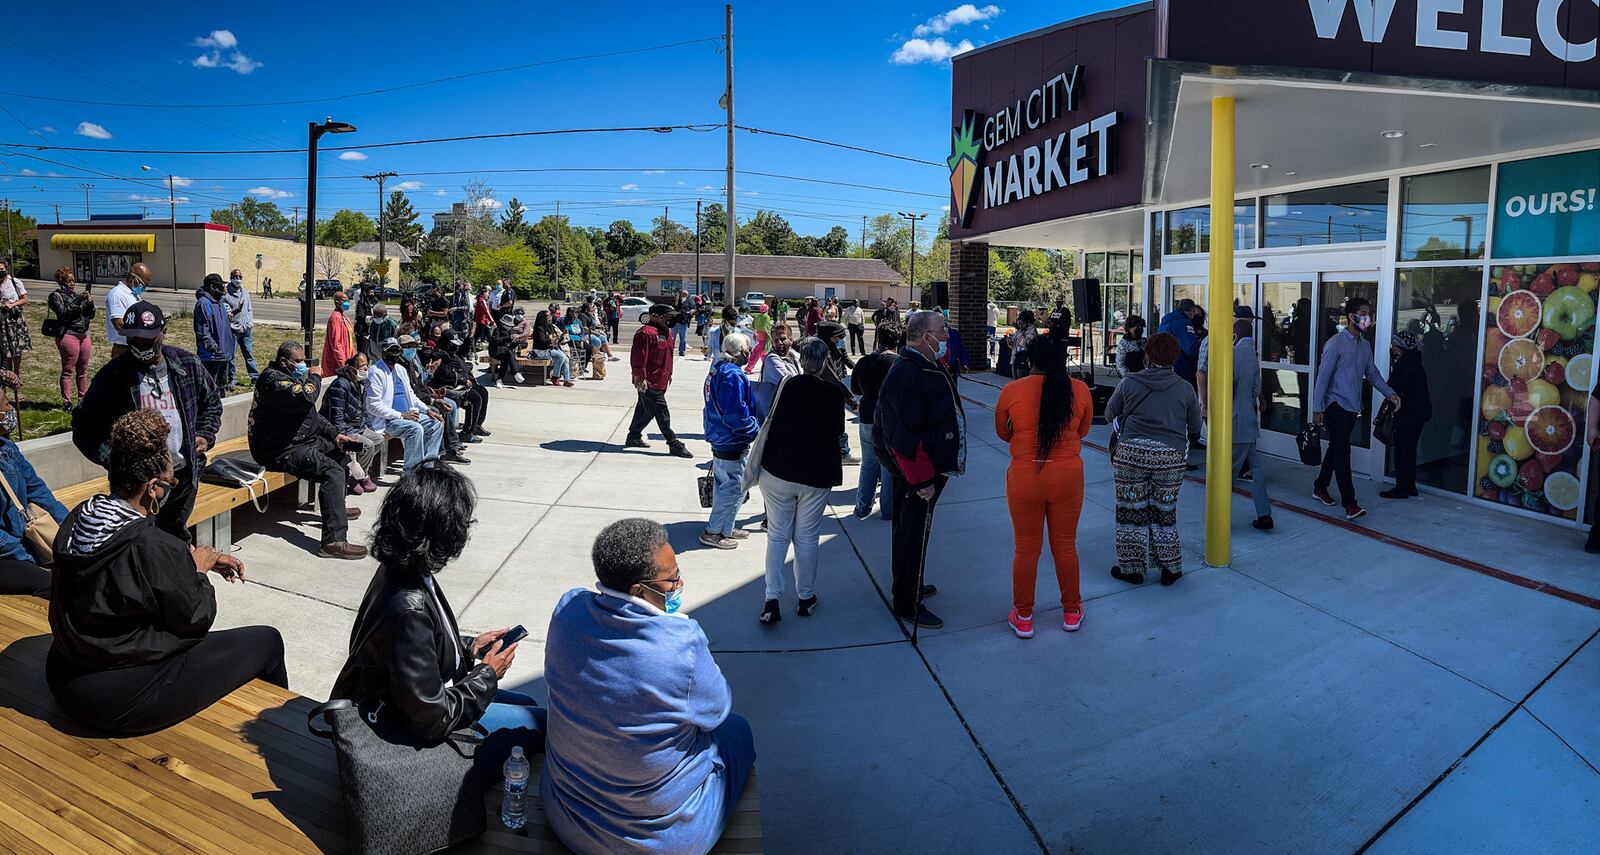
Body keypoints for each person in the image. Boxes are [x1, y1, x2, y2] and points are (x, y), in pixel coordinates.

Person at [48, 410, 287, 736]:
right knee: (268, 642)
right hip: (116, 699)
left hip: (64, 673)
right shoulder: (150, 544)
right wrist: (199, 573)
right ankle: (285, 744)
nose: (169, 489)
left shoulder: (82, 517)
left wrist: (183, 563)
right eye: (170, 483)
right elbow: (196, 617)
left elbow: (121, 579)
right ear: (152, 488)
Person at [541, 518, 755, 855]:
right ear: (639, 590)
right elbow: (715, 712)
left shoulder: (568, 610)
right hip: (663, 843)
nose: (680, 584)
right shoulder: (680, 644)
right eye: (672, 579)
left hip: (567, 816)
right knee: (738, 729)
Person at [331, 464, 542, 779]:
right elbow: (432, 720)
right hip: (404, 729)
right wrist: (487, 674)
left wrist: (469, 648)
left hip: (410, 702)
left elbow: (414, 651)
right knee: (543, 724)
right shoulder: (409, 606)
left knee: (526, 702)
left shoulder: (403, 568)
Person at [73, 301, 221, 543]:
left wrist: (205, 434)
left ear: (163, 332)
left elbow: (212, 403)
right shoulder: (113, 376)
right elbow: (83, 427)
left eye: (148, 340)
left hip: (183, 475)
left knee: (174, 537)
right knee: (138, 543)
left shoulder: (187, 365)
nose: (141, 346)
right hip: (137, 486)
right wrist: (114, 460)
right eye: (134, 340)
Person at [995, 334, 1092, 637]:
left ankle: (1023, 616)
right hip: (1067, 475)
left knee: (1025, 549)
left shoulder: (1012, 390)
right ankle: (1072, 611)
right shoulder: (1080, 390)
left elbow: (1002, 431)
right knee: (1065, 547)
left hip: (1025, 475)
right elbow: (1084, 429)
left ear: (1030, 360)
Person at [875, 310, 964, 630]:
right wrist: (923, 479)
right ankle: (907, 602)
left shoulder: (924, 365)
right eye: (941, 332)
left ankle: (909, 583)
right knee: (912, 534)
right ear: (925, 336)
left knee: (912, 533)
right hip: (917, 476)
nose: (945, 337)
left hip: (922, 473)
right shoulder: (907, 373)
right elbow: (903, 437)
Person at [246, 343, 368, 559]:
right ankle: (333, 542)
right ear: (284, 361)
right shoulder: (273, 380)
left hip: (303, 441)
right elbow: (307, 397)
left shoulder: (291, 378)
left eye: (305, 360)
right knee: (333, 472)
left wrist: (335, 435)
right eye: (299, 361)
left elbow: (311, 415)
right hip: (281, 449)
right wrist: (315, 376)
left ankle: (335, 509)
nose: (304, 365)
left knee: (340, 453)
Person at [754, 337, 845, 624]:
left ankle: (772, 599)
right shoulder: (833, 395)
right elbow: (838, 434)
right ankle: (805, 597)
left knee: (778, 535)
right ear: (824, 362)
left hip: (777, 470)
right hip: (815, 474)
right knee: (806, 537)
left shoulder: (787, 386)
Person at [1104, 332, 1202, 586]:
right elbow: (1195, 427)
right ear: (1175, 357)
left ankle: (1132, 569)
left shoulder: (1130, 382)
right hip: (1170, 457)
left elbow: (1109, 413)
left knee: (1130, 510)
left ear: (1147, 355)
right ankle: (1170, 567)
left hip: (1131, 455)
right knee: (1164, 511)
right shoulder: (1185, 388)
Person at [1312, 297, 1401, 520]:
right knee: (1343, 453)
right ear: (1352, 317)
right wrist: (1316, 408)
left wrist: (1389, 393)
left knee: (1336, 448)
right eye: (1363, 313)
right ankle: (1350, 503)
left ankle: (1320, 486)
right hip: (1335, 406)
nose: (1367, 318)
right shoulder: (1336, 343)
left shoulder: (1365, 345)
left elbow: (1372, 374)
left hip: (1353, 407)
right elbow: (1323, 377)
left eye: (1369, 313)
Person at [1200, 318, 1275, 529]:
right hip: (1249, 422)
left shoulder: (1232, 354)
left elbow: (1228, 386)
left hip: (1235, 422)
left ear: (1235, 335)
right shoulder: (1253, 355)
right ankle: (1264, 514)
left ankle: (1219, 519)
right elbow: (1255, 389)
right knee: (1256, 469)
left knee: (1227, 474)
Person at [0, 396, 68, 596]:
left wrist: (70, 529)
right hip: (7, 552)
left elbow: (38, 491)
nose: (11, 409)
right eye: (5, 403)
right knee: (50, 585)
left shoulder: (8, 449)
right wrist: (29, 556)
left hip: (22, 540)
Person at [701, 333, 758, 551]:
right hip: (730, 438)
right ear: (740, 351)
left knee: (725, 483)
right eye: (748, 349)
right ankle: (713, 531)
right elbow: (735, 414)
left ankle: (726, 526)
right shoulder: (732, 375)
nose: (750, 353)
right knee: (733, 486)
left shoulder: (717, 369)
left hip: (720, 435)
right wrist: (754, 431)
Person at [366, 336, 444, 473]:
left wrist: (427, 411)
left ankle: (427, 467)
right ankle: (411, 473)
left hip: (408, 415)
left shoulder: (401, 370)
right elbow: (372, 405)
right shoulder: (376, 372)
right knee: (415, 429)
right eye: (391, 351)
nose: (394, 354)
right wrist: (401, 415)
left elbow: (411, 396)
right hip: (388, 421)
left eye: (397, 350)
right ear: (383, 353)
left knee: (436, 424)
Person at [626, 305, 692, 458]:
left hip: (662, 379)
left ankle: (633, 436)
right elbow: (638, 358)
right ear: (655, 316)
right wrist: (640, 378)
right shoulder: (645, 333)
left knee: (646, 409)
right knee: (662, 411)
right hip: (649, 381)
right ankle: (673, 442)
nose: (670, 319)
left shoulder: (667, 332)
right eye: (667, 316)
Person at [851, 322, 901, 521]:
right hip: (889, 419)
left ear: (878, 338)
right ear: (897, 340)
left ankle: (862, 507)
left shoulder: (863, 362)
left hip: (866, 416)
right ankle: (887, 510)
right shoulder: (898, 363)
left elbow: (855, 389)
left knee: (868, 463)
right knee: (888, 466)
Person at [321, 352, 383, 495]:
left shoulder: (360, 383)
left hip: (357, 426)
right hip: (343, 430)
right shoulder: (340, 385)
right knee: (367, 445)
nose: (366, 369)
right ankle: (356, 477)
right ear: (352, 368)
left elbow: (362, 411)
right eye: (362, 366)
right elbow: (336, 417)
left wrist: (370, 429)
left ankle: (359, 474)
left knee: (378, 440)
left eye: (367, 365)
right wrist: (345, 435)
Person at [1381, 331, 1432, 500]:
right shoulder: (1415, 361)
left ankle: (1401, 488)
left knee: (1402, 451)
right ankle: (1410, 485)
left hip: (1408, 414)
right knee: (1409, 450)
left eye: (1395, 345)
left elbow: (1393, 386)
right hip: (1419, 414)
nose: (1392, 348)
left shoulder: (1405, 364)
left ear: (1402, 347)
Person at [46, 267, 95, 406]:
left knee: (83, 369)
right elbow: (64, 313)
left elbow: (90, 315)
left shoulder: (76, 296)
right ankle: (67, 401)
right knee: (68, 369)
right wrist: (79, 300)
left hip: (83, 335)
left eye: (73, 281)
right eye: (69, 281)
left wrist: (90, 302)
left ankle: (82, 398)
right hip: (68, 334)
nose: (72, 284)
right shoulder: (56, 296)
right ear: (62, 282)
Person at [193, 273, 236, 392]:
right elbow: (202, 332)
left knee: (221, 390)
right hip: (211, 357)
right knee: (210, 391)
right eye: (221, 285)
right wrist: (215, 348)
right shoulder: (203, 303)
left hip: (223, 356)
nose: (224, 288)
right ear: (212, 287)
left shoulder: (219, 303)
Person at [754, 324, 798, 420]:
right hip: (776, 410)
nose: (779, 343)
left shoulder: (795, 356)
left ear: (791, 340)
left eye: (783, 339)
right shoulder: (771, 359)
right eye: (775, 340)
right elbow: (789, 381)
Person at [224, 269, 259, 387]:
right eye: (235, 277)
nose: (238, 279)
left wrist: (249, 322)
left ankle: (254, 377)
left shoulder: (245, 292)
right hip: (233, 329)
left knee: (249, 354)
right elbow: (226, 313)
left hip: (246, 328)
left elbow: (249, 308)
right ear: (231, 278)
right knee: (231, 356)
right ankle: (232, 379)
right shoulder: (226, 294)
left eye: (240, 277)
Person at [104, 263, 146, 359]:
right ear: (132, 277)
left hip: (135, 347)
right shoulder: (117, 294)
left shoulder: (132, 294)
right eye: (143, 284)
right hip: (124, 349)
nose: (143, 288)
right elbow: (119, 325)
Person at [1158, 298, 1202, 388]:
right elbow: (1191, 348)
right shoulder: (1184, 323)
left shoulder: (1166, 321)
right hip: (1182, 367)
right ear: (1192, 311)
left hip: (1165, 366)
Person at [532, 310, 576, 387]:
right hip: (541, 351)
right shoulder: (539, 328)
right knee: (560, 357)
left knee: (566, 358)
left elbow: (557, 339)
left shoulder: (550, 327)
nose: (550, 318)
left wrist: (562, 335)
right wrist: (551, 340)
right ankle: (555, 377)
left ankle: (566, 380)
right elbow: (542, 341)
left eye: (550, 316)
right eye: (548, 316)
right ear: (543, 318)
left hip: (551, 348)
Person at [320, 291, 357, 378]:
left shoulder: (344, 317)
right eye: (344, 301)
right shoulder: (335, 318)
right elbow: (336, 344)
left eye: (348, 300)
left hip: (348, 357)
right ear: (337, 303)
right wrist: (343, 364)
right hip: (336, 363)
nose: (347, 303)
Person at [1009, 310, 1040, 376]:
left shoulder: (1032, 330)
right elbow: (1013, 344)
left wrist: (1020, 331)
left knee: (1021, 378)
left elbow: (1025, 343)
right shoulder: (1020, 330)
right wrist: (1010, 340)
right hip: (1016, 357)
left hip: (1025, 359)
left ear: (1028, 322)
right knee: (1015, 378)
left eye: (1022, 323)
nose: (1020, 325)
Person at [745, 306, 771, 372]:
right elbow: (766, 328)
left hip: (758, 335)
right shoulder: (766, 317)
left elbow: (753, 326)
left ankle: (766, 367)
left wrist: (755, 332)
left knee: (763, 353)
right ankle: (749, 368)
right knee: (757, 353)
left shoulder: (757, 316)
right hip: (764, 336)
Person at [673, 293, 692, 357]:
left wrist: (691, 312)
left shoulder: (688, 302)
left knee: (683, 338)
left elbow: (694, 308)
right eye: (683, 295)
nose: (684, 296)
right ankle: (670, 349)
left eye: (685, 295)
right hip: (675, 322)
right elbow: (674, 308)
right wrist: (677, 300)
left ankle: (681, 351)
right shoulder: (676, 301)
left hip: (683, 322)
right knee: (672, 337)